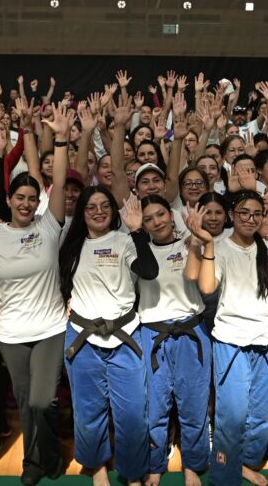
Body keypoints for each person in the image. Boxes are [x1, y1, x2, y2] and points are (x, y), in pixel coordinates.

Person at [186, 190, 268, 486]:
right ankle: (224, 476)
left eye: (256, 214)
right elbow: (206, 287)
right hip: (232, 342)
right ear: (232, 215)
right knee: (231, 416)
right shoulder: (219, 246)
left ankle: (244, 463)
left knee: (263, 414)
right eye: (244, 212)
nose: (250, 219)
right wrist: (206, 244)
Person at [0, 104, 71, 485]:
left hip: (50, 327)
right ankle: (37, 462)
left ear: (39, 202)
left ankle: (41, 457)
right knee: (26, 404)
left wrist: (62, 138)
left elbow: (60, 180)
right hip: (13, 334)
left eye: (31, 198)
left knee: (42, 401)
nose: (24, 203)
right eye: (18, 197)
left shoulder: (50, 226)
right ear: (10, 200)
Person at [60, 189, 158, 486]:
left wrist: (138, 230)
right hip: (83, 336)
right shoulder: (72, 245)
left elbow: (149, 271)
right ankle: (97, 466)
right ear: (82, 212)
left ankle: (132, 471)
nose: (99, 211)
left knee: (131, 412)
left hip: (125, 336)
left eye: (105, 206)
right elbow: (63, 282)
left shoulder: (126, 240)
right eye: (91, 207)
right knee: (89, 409)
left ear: (114, 211)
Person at [136, 195, 209, 486]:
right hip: (153, 333)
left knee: (193, 404)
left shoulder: (191, 243)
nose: (157, 222)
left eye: (161, 214)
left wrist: (195, 235)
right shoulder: (137, 251)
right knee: (155, 406)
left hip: (191, 332)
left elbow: (197, 278)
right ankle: (156, 464)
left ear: (171, 214)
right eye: (149, 218)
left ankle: (193, 464)